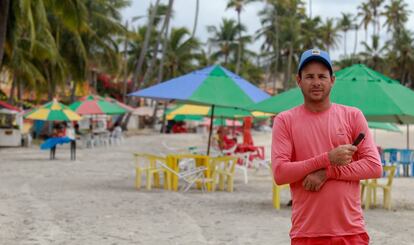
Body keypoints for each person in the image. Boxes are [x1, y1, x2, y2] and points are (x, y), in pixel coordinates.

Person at [271, 48, 382, 245]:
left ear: (332, 80)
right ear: (298, 80)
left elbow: (374, 166)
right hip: (306, 233)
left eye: (322, 76)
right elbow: (280, 174)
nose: (316, 82)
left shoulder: (352, 115)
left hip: (351, 232)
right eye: (309, 77)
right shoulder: (285, 120)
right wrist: (326, 159)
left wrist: (327, 172)